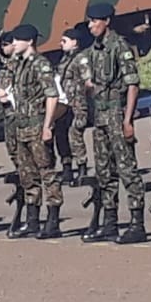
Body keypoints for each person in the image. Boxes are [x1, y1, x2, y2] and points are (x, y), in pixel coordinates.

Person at [82, 2, 142, 243]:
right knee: (104, 172)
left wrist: (128, 119)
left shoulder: (120, 47)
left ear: (106, 21)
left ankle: (137, 223)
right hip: (101, 117)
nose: (90, 25)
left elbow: (132, 85)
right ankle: (110, 222)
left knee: (127, 169)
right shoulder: (94, 50)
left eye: (94, 21)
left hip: (117, 115)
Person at [1, 23, 61, 239]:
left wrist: (47, 126)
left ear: (29, 42)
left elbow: (51, 95)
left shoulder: (40, 64)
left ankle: (53, 221)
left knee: (46, 172)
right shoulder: (19, 65)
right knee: (28, 176)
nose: (14, 43)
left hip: (36, 125)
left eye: (18, 40)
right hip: (21, 126)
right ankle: (32, 220)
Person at [53, 26, 92, 192]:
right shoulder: (64, 59)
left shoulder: (81, 59)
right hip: (64, 103)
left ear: (74, 42)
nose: (61, 44)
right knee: (61, 133)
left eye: (64, 41)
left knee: (75, 134)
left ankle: (82, 167)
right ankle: (67, 167)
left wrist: (82, 97)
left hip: (77, 103)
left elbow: (89, 81)